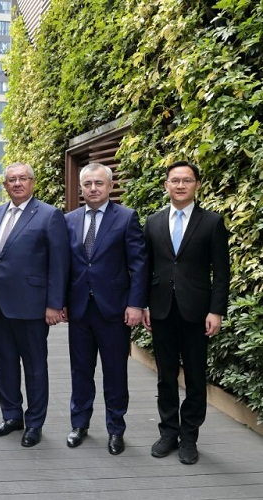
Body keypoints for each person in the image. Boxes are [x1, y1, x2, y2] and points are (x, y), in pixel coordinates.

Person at [142, 160, 230, 465]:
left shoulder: (212, 222)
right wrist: (144, 305)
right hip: (161, 310)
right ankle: (168, 432)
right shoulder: (153, 222)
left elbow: (222, 272)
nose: (180, 185)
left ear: (197, 185)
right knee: (165, 376)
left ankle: (189, 437)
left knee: (195, 377)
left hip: (197, 312)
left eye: (187, 180)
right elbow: (145, 268)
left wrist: (216, 311)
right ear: (166, 185)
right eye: (175, 180)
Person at [62, 163, 148, 455]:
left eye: (99, 183)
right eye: (87, 184)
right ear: (81, 188)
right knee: (80, 371)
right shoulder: (69, 220)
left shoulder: (126, 218)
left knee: (115, 372)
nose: (93, 189)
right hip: (79, 310)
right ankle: (79, 424)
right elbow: (63, 266)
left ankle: (116, 429)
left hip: (114, 310)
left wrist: (136, 303)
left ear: (110, 186)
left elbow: (138, 265)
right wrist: (61, 302)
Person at [0, 162, 69, 447]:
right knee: (5, 364)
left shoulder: (49, 215)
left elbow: (59, 263)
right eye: (12, 179)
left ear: (33, 182)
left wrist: (54, 304)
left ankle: (34, 423)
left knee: (34, 367)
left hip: (33, 307)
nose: (17, 183)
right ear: (5, 185)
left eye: (23, 178)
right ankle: (11, 416)